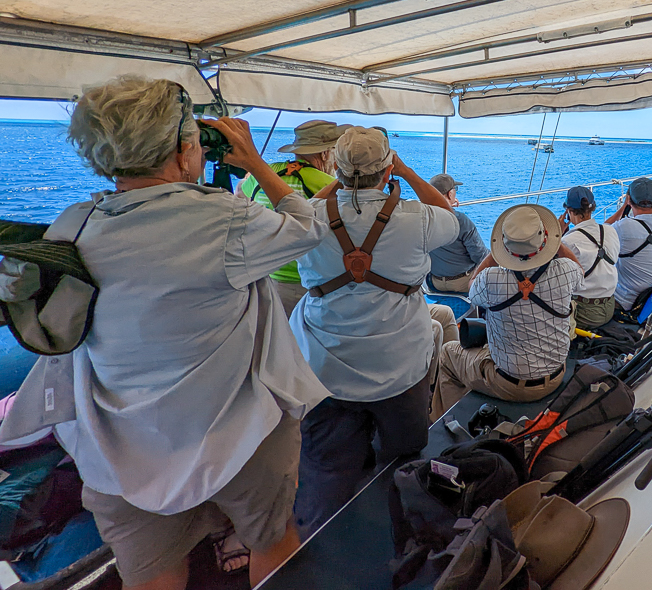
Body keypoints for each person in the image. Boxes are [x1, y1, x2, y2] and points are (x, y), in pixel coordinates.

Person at [7, 76, 332, 590]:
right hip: (239, 432)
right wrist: (253, 162)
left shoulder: (72, 225)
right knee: (272, 542)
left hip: (119, 445)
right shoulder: (226, 219)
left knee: (154, 577)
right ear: (184, 152)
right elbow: (307, 224)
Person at [289, 126, 459, 536]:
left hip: (325, 367)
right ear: (388, 169)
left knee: (326, 468)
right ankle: (404, 524)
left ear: (335, 168)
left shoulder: (307, 218)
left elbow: (305, 210)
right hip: (399, 367)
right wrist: (406, 172)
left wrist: (335, 190)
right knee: (404, 455)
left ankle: (322, 543)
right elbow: (450, 217)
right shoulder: (417, 219)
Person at [430, 204, 582, 422]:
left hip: (508, 384)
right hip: (556, 375)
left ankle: (449, 423)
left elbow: (473, 286)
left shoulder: (490, 279)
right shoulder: (565, 271)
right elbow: (580, 272)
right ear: (545, 239)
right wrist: (557, 242)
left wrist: (495, 252)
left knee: (448, 353)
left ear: (505, 245)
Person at [237, 120, 348, 315]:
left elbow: (240, 195)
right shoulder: (330, 185)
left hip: (263, 280)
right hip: (308, 283)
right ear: (325, 153)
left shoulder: (264, 175)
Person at [605, 177, 652, 309]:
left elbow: (603, 230)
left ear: (629, 201)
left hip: (625, 302)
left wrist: (624, 206)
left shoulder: (622, 227)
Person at [559, 186, 620, 330]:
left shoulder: (567, 241)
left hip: (584, 312)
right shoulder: (610, 231)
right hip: (610, 305)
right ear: (592, 209)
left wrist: (558, 234)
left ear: (568, 211)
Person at [426, 173, 488, 294]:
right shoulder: (461, 220)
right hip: (462, 283)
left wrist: (446, 204)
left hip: (435, 282)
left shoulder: (424, 217)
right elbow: (480, 256)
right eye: (455, 189)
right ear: (450, 194)